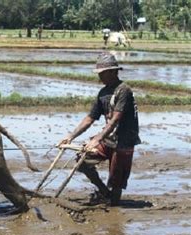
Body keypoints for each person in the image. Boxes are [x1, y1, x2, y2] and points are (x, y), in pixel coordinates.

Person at [59, 52, 140, 206]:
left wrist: (97, 139)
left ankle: (114, 205)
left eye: (102, 73)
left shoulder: (124, 90)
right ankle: (103, 191)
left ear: (112, 72)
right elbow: (90, 118)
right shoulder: (103, 93)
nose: (100, 77)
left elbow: (116, 119)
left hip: (123, 140)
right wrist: (71, 136)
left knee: (116, 179)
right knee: (82, 161)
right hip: (108, 138)